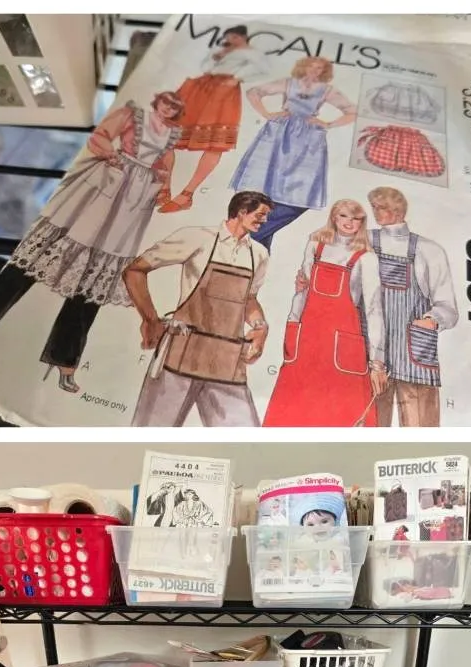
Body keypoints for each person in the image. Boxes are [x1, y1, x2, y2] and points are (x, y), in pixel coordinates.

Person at [0, 92, 184, 393]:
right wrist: (112, 156)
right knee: (39, 255)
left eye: (175, 106)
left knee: (95, 279)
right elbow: (99, 138)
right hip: (103, 186)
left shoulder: (172, 135)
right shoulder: (132, 114)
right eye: (167, 102)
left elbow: (167, 163)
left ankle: (65, 359)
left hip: (133, 204)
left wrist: (163, 183)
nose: (169, 108)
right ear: (158, 101)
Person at [125, 190, 272, 426]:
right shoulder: (197, 237)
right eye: (261, 215)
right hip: (181, 353)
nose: (265, 221)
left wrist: (260, 327)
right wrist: (150, 319)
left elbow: (249, 299)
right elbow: (135, 270)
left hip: (227, 360)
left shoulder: (259, 254)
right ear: (242, 211)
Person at [263, 199, 386, 427]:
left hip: (342, 346)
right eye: (343, 216)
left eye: (355, 218)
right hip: (307, 340)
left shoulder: (366, 257)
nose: (349, 222)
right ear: (333, 217)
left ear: (362, 223)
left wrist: (377, 362)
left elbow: (373, 309)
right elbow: (302, 292)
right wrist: (292, 327)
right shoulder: (315, 244)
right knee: (293, 410)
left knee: (340, 412)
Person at [229, 57, 357, 250]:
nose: (314, 71)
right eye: (311, 66)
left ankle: (247, 238)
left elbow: (353, 111)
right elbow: (253, 92)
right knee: (265, 190)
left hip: (308, 140)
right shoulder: (288, 83)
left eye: (319, 68)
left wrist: (328, 124)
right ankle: (254, 252)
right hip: (279, 134)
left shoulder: (326, 90)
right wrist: (267, 114)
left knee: (300, 197)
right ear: (303, 67)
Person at [366, 187, 458, 426]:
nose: (376, 212)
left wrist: (430, 321)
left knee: (421, 430)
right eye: (374, 207)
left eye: (382, 207)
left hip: (414, 354)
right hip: (371, 355)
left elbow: (448, 308)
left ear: (398, 210)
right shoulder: (363, 241)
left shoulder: (429, 250)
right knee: (368, 428)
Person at [160, 25, 269, 213]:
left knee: (215, 143)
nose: (231, 40)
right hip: (202, 87)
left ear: (243, 37)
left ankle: (187, 194)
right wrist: (216, 58)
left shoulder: (252, 53)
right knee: (168, 137)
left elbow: (263, 69)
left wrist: (237, 77)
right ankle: (164, 187)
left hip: (224, 92)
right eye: (229, 37)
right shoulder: (221, 50)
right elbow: (205, 67)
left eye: (234, 37)